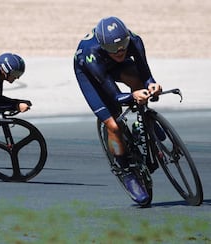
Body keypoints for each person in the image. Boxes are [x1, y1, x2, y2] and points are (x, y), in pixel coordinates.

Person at [73, 16, 162, 204]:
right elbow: (114, 95)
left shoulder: (134, 40)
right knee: (113, 125)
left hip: (113, 66)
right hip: (92, 73)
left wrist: (152, 84)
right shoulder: (90, 53)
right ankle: (125, 170)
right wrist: (132, 96)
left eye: (122, 44)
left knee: (138, 80)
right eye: (114, 48)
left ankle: (143, 120)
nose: (120, 50)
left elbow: (145, 73)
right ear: (104, 45)